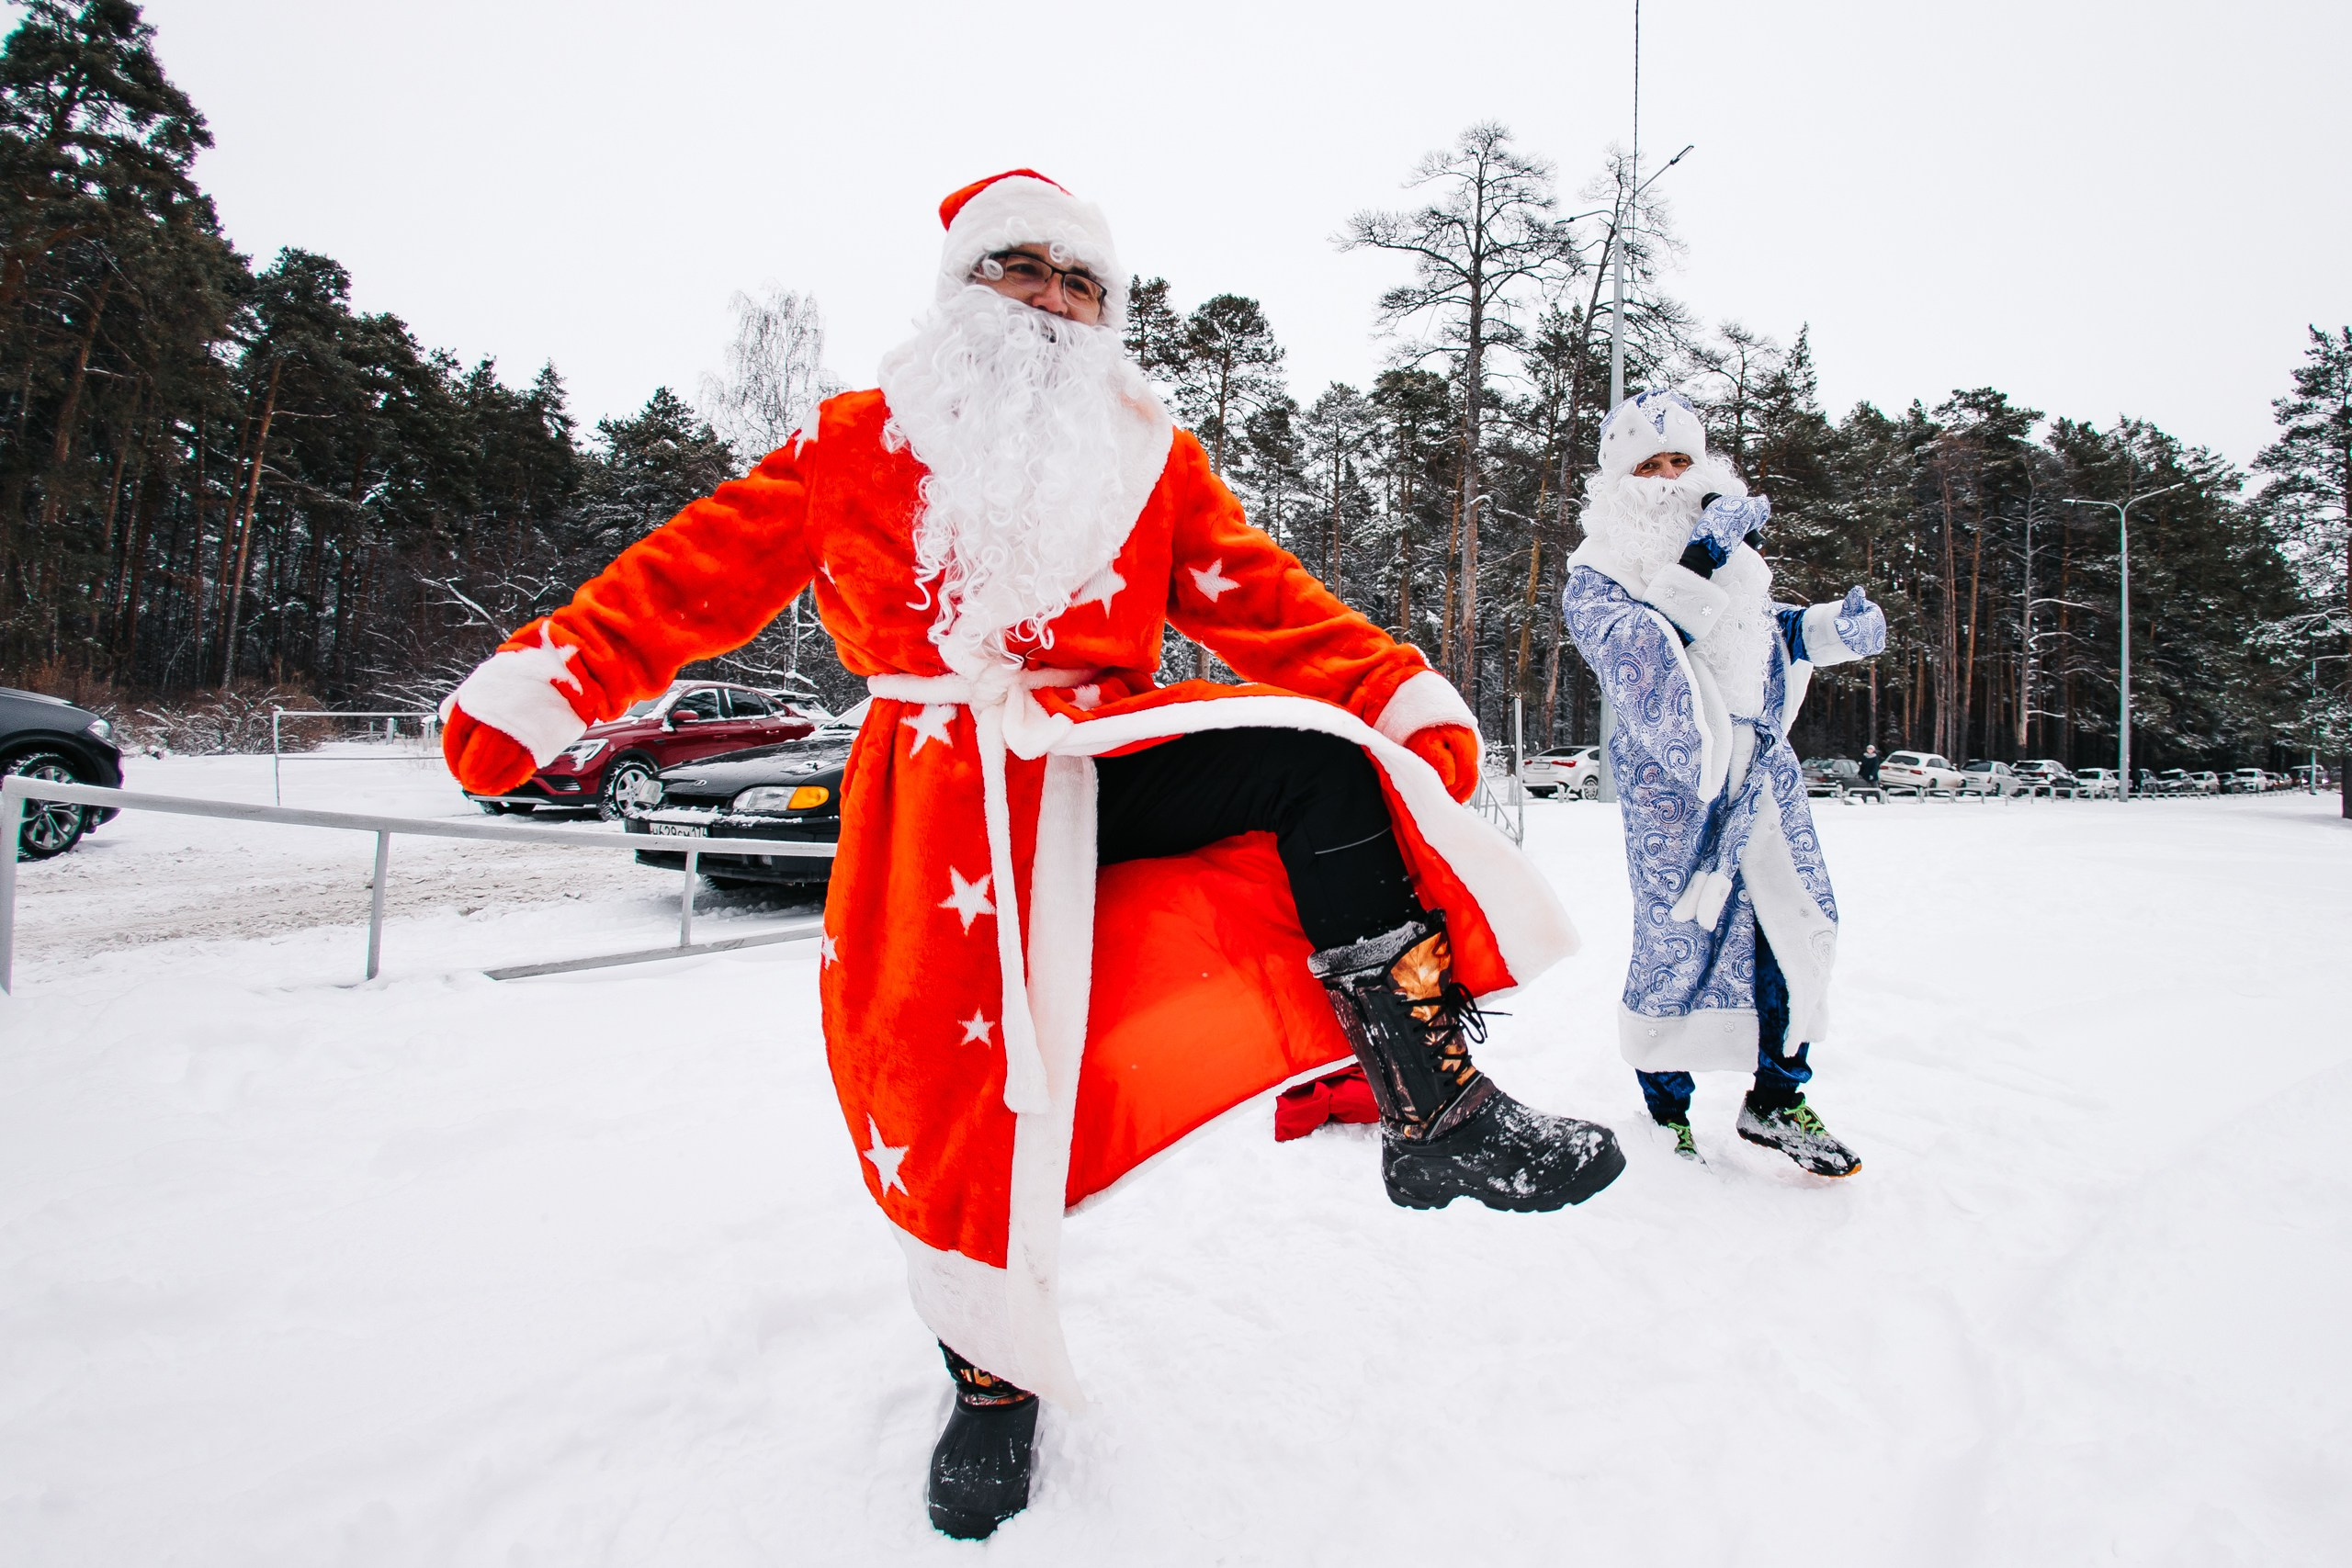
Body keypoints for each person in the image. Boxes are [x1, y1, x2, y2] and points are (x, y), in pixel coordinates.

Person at [438, 171, 1623, 1540]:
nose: (1053, 301)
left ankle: (1438, 1107)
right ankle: (991, 1379)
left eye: (1083, 283)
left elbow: (1264, 598)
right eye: (1022, 268)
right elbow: (685, 577)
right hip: (938, 800)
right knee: (957, 1107)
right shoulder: (854, 442)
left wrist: (1389, 683)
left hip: (1093, 761)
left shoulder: (1146, 453)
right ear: (960, 286)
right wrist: (552, 678)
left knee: (1322, 758)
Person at [1560, 390, 1886, 1175]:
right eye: (1652, 464)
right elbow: (1642, 653)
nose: (1671, 479)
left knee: (1797, 919)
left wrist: (1827, 631)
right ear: (1619, 478)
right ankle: (1665, 1107)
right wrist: (1700, 559)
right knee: (1678, 936)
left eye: (1683, 461)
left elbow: (1760, 633)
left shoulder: (1736, 557)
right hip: (1677, 783)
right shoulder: (1597, 575)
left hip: (1764, 772)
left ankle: (1776, 1096)